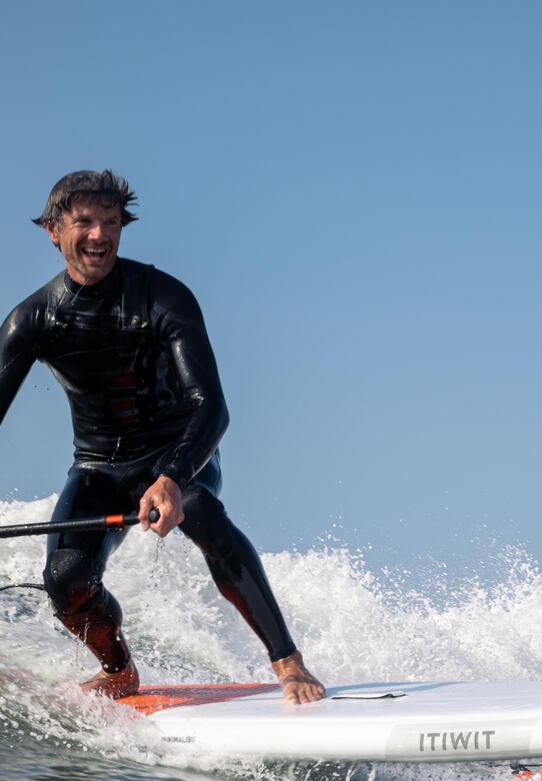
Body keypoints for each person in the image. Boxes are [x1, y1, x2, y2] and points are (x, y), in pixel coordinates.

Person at [0, 170, 325, 705]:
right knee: (65, 578)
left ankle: (287, 660)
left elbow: (211, 406)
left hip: (177, 454)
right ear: (54, 231)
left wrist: (173, 476)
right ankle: (119, 671)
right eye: (84, 222)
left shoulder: (162, 296)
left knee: (199, 508)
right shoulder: (34, 319)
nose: (99, 235)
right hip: (97, 467)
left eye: (110, 223)